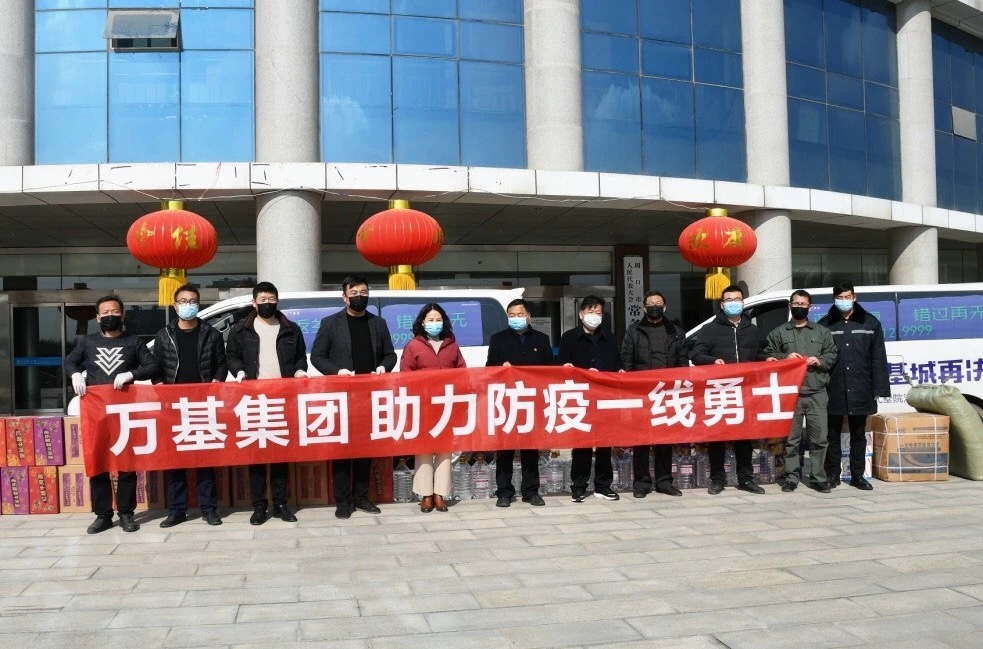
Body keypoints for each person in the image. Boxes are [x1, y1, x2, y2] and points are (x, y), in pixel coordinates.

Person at [65, 295, 159, 534]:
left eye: (114, 312)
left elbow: (153, 366)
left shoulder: (134, 341)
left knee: (126, 464)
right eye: (105, 313)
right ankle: (103, 515)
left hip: (124, 412)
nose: (110, 316)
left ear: (123, 315)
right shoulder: (88, 342)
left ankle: (126, 514)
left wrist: (132, 374)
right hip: (96, 412)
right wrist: (75, 374)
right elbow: (70, 362)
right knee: (98, 462)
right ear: (97, 318)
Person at [311, 274, 397, 519]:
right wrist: (337, 371)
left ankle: (362, 497)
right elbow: (317, 356)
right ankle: (343, 501)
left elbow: (390, 355)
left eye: (364, 293)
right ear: (345, 297)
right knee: (341, 451)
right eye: (355, 294)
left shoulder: (378, 323)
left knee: (364, 449)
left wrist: (383, 367)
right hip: (340, 397)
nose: (360, 297)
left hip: (369, 397)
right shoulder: (331, 323)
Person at [225, 281, 308, 525]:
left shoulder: (291, 329)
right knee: (257, 455)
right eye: (262, 300)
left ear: (277, 301)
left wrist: (300, 370)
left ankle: (281, 503)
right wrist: (239, 371)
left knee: (281, 453)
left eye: (271, 299)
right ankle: (259, 506)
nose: (267, 303)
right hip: (254, 399)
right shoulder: (241, 330)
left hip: (283, 398)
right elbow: (232, 356)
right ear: (254, 303)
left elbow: (300, 357)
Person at [153, 284, 227, 527]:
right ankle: (177, 510)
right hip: (173, 407)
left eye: (193, 301)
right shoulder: (163, 335)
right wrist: (159, 384)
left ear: (199, 304)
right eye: (183, 301)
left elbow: (221, 364)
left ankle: (209, 509)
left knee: (205, 460)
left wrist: (217, 379)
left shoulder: (211, 334)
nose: (188, 305)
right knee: (176, 461)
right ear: (175, 306)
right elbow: (156, 367)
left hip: (203, 405)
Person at [689, 285, 767, 495]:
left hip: (744, 391)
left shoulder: (752, 330)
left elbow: (758, 354)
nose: (734, 303)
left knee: (744, 437)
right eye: (729, 300)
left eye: (737, 299)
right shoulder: (710, 329)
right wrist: (713, 360)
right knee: (717, 436)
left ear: (743, 303)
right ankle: (717, 479)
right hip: (720, 390)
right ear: (722, 305)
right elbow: (696, 355)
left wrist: (768, 359)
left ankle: (746, 479)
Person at [764, 290, 838, 493]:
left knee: (819, 438)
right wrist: (784, 358)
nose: (799, 307)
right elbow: (768, 355)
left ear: (809, 307)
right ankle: (791, 477)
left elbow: (832, 354)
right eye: (796, 303)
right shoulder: (779, 332)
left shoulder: (821, 332)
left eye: (803, 304)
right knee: (791, 439)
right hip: (791, 394)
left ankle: (818, 477)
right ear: (790, 306)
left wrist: (819, 361)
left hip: (816, 392)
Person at [819, 281, 890, 491]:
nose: (844, 301)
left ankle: (857, 475)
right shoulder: (825, 325)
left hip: (861, 387)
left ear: (854, 297)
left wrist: (879, 389)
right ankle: (832, 474)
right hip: (833, 387)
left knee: (858, 433)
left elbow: (878, 358)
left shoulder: (870, 323)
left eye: (847, 297)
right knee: (831, 434)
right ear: (834, 299)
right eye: (840, 298)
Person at [399, 303, 466, 513]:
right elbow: (405, 375)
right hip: (423, 405)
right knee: (424, 449)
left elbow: (462, 371)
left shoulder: (452, 345)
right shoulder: (413, 345)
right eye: (431, 320)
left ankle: (440, 494)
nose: (435, 323)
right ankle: (426, 494)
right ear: (422, 322)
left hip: (446, 404)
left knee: (445, 450)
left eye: (438, 320)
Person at [486, 298, 553, 508]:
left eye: (520, 314)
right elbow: (489, 368)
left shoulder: (542, 339)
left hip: (533, 401)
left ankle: (531, 491)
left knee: (530, 448)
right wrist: (500, 367)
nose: (516, 318)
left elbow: (550, 370)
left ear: (528, 316)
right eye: (512, 315)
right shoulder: (498, 339)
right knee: (505, 448)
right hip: (507, 400)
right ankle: (504, 492)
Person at [620, 290, 687, 498]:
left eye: (658, 303)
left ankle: (664, 481)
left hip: (667, 393)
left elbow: (683, 362)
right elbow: (626, 361)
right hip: (642, 394)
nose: (654, 306)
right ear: (644, 308)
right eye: (651, 304)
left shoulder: (676, 331)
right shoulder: (634, 331)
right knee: (641, 439)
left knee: (665, 439)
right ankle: (641, 483)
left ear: (664, 307)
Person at [559, 296, 622, 503]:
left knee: (605, 443)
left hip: (605, 396)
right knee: (582, 443)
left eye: (598, 312)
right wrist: (569, 369)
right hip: (581, 397)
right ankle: (579, 486)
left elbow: (618, 364)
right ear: (581, 314)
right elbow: (561, 365)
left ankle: (603, 486)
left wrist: (620, 372)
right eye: (590, 311)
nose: (594, 316)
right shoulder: (569, 337)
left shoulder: (609, 338)